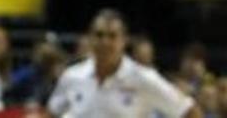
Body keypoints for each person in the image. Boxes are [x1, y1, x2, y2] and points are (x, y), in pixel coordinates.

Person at [47, 9, 201, 118]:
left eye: (112, 36)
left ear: (124, 41)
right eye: (99, 35)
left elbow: (189, 111)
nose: (105, 42)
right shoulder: (72, 76)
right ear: (90, 38)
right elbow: (52, 112)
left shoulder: (143, 78)